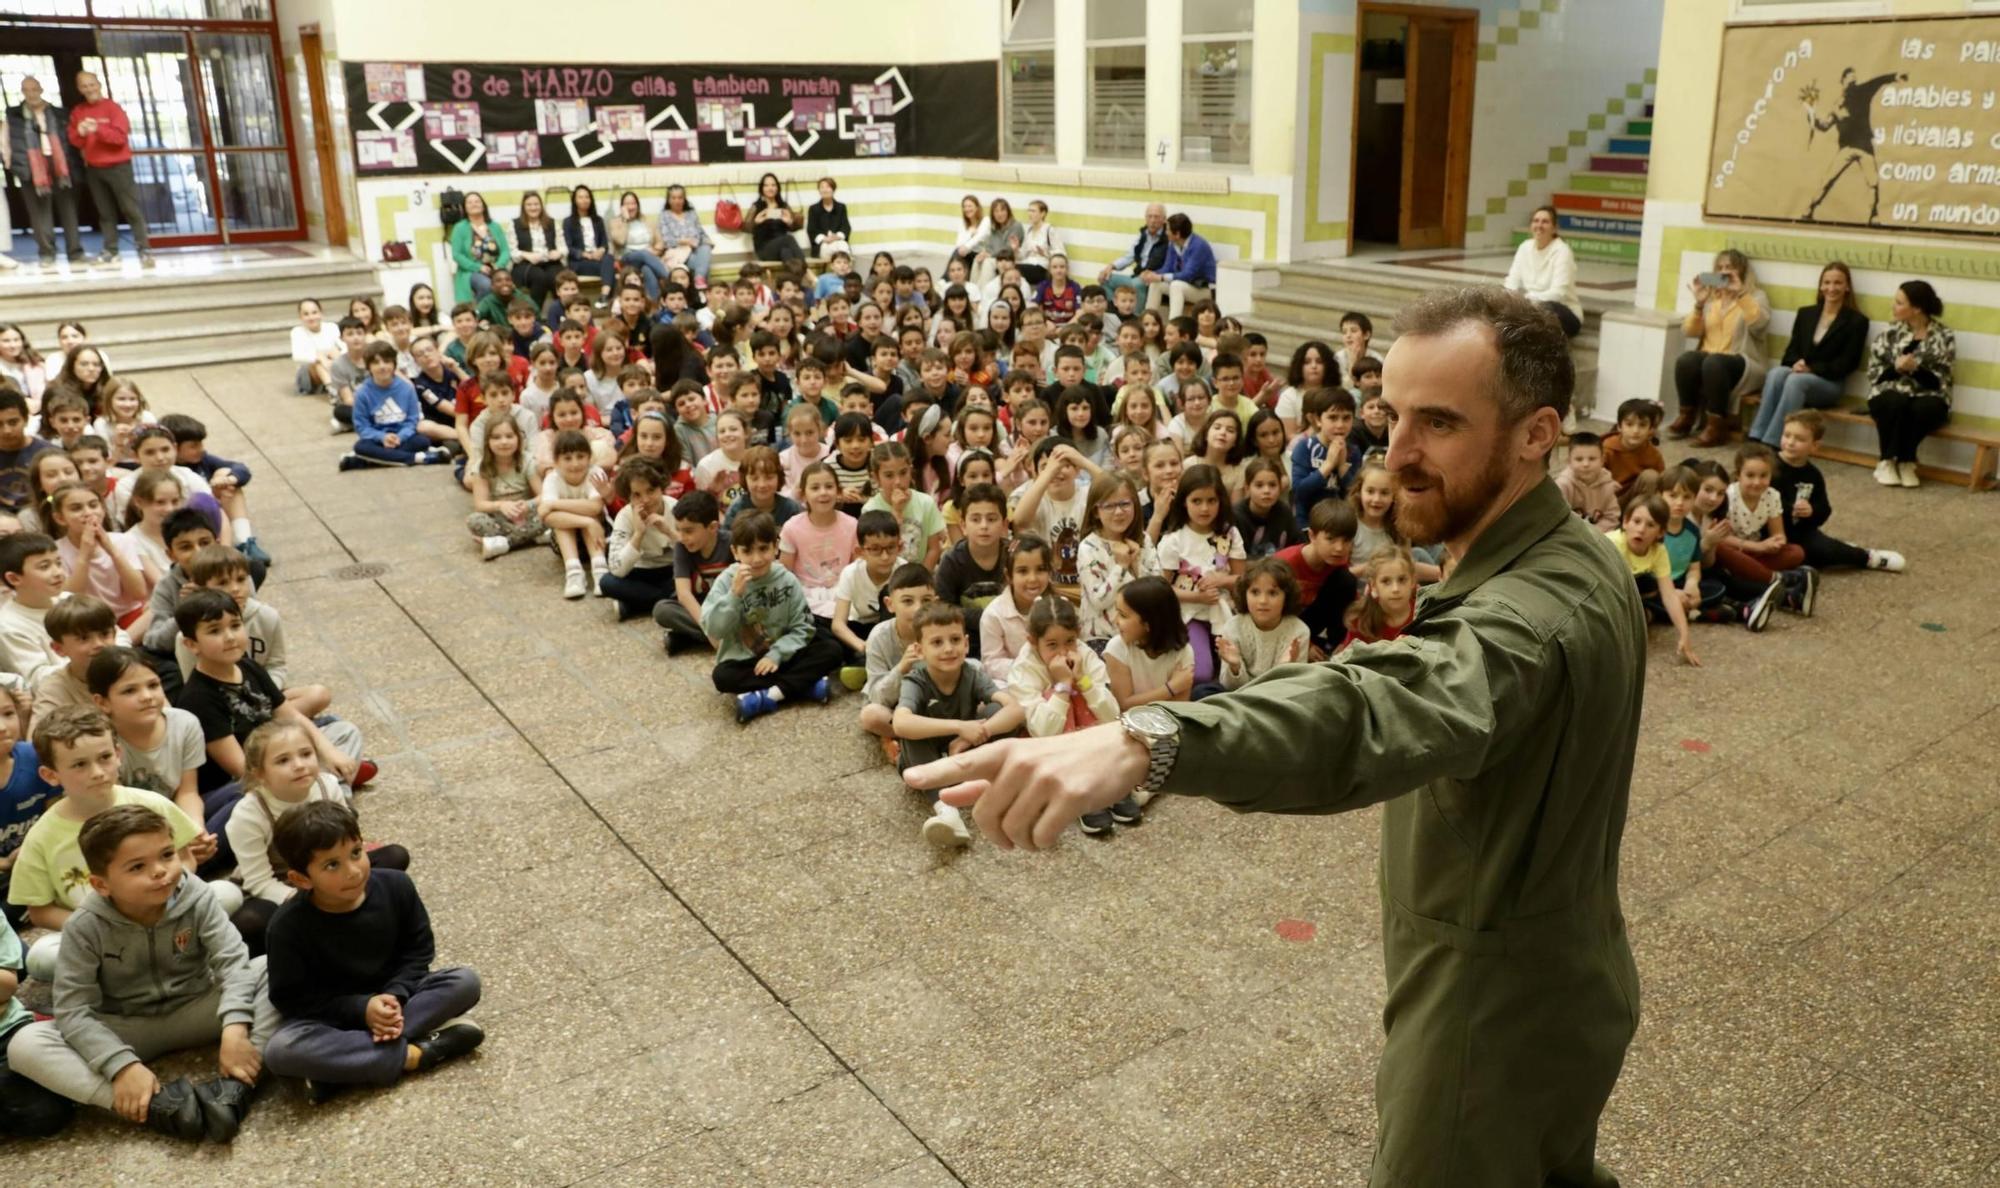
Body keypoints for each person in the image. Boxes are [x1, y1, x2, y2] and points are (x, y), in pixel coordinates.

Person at [907, 286, 1648, 1188]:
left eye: (1441, 424)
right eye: (1395, 415)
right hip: (1559, 984)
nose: (1398, 454)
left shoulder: (1531, 615)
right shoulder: (1575, 557)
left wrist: (1150, 737)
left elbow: (1374, 706)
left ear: (1537, 433)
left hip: (1486, 1021)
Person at [7, 804, 277, 1142]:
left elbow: (233, 961)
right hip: (127, 1026)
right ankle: (163, 1108)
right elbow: (73, 1010)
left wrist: (236, 1029)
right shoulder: (84, 926)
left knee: (272, 967)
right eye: (137, 866)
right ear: (101, 884)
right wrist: (122, 1067)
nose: (161, 871)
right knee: (25, 1044)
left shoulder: (196, 895)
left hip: (200, 1006)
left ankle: (236, 1089)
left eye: (167, 854)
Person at [262, 800, 482, 1103]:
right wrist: (361, 1008)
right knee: (280, 1050)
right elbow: (291, 998)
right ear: (301, 879)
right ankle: (415, 1054)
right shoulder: (286, 927)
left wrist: (395, 995)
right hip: (336, 1018)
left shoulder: (397, 886)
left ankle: (342, 1068)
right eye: (331, 865)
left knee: (464, 981)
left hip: (399, 1003)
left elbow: (418, 953)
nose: (353, 871)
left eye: (356, 853)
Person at [893, 603, 1023, 844]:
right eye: (937, 643)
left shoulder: (971, 672)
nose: (948, 649)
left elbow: (1014, 709)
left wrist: (971, 734)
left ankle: (977, 779)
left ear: (965, 643)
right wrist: (958, 727)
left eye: (954, 640)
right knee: (910, 734)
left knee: (998, 711)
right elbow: (900, 723)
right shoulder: (916, 679)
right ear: (920, 650)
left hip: (962, 750)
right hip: (926, 758)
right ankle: (946, 811)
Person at [700, 510, 840, 723]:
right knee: (722, 677)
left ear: (776, 547)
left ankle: (770, 695)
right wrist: (733, 596)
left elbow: (802, 627)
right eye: (747, 551)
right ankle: (804, 686)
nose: (756, 559)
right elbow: (714, 629)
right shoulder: (726, 581)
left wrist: (776, 654)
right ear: (735, 552)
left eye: (764, 549)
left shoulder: (787, 579)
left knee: (831, 649)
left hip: (785, 653)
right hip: (748, 660)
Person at [1006, 594, 1124, 835]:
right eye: (1052, 645)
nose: (1064, 652)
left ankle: (1109, 785)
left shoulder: (1085, 654)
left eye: (1069, 641)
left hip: (1092, 744)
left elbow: (1112, 716)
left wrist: (1083, 680)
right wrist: (1062, 686)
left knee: (1084, 690)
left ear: (1078, 635)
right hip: (1050, 749)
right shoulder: (1023, 669)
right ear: (1032, 641)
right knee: (1062, 695)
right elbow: (1042, 731)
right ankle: (1079, 792)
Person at [1747, 261, 1868, 447]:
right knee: (1776, 373)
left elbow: (1848, 363)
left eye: (1838, 283)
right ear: (1821, 286)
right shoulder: (1806, 314)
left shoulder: (1857, 321)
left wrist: (1811, 369)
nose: (1831, 288)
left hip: (1829, 385)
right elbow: (1790, 352)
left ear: (1847, 287)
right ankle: (1756, 435)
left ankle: (1773, 442)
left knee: (1796, 380)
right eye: (1827, 282)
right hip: (1799, 376)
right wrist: (1796, 364)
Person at [1773, 411, 1905, 575]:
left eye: (1799, 439)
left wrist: (1811, 511)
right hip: (1768, 534)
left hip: (1800, 534)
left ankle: (1868, 557)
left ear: (1814, 445)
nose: (1790, 442)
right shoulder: (1769, 465)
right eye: (1787, 435)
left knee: (1823, 552)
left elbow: (1824, 509)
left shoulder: (1813, 475)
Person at [1668, 248, 1768, 446]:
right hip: (1711, 361)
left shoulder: (1756, 296)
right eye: (1720, 267)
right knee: (1687, 360)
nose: (1723, 272)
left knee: (1714, 362)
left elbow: (1759, 326)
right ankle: (1687, 416)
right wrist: (1698, 305)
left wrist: (1740, 294)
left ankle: (1716, 426)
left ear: (1741, 271)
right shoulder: (1711, 298)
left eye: (1729, 268)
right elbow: (1689, 331)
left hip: (1744, 362)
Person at [1865, 279, 1954, 490]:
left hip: (1929, 394)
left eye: (1899, 303)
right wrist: (1896, 368)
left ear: (1916, 308)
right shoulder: (1889, 333)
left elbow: (1940, 380)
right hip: (1889, 391)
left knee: (1924, 408)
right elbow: (1875, 376)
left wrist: (1915, 369)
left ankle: (1905, 460)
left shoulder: (1944, 336)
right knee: (1895, 403)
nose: (1893, 307)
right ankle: (1887, 460)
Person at [65, 72, 152, 268]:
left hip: (119, 167)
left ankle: (144, 249)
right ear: (80, 89)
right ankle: (111, 250)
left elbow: (120, 139)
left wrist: (98, 129)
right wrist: (80, 132)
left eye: (92, 84)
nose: (89, 89)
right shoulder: (78, 111)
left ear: (99, 85)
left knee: (130, 209)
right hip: (94, 168)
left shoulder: (113, 108)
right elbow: (74, 140)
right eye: (84, 86)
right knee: (105, 212)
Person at [6, 76, 86, 267]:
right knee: (39, 213)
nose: (31, 93)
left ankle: (75, 253)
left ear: (41, 90)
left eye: (34, 89)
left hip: (61, 166)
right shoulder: (14, 115)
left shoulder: (59, 113)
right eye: (26, 90)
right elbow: (7, 142)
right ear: (22, 92)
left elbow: (70, 140)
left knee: (68, 210)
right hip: (31, 166)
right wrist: (14, 166)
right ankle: (47, 253)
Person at [1502, 205, 1582, 338]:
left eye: (1545, 221)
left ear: (1554, 228)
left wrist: (1528, 300)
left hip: (1564, 312)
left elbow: (1558, 293)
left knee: (1544, 310)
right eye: (1536, 221)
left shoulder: (1562, 251)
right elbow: (1511, 281)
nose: (1539, 225)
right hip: (1532, 308)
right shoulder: (1525, 247)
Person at [1141, 214, 1217, 320]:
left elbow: (1188, 275)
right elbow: (1167, 268)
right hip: (1186, 285)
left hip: (1204, 289)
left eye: (1167, 230)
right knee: (1156, 283)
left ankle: (1174, 325)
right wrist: (1152, 274)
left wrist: (1162, 277)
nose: (1165, 233)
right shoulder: (1173, 244)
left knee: (1176, 285)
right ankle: (1147, 320)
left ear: (1177, 234)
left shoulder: (1198, 246)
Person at [1098, 203, 1170, 312]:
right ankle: (1116, 315)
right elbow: (1129, 257)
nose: (1152, 220)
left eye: (1156, 217)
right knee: (1106, 279)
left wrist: (1153, 273)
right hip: (1137, 276)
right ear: (1145, 218)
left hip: (1154, 280)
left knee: (1137, 283)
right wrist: (1111, 266)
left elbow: (1171, 265)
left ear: (1164, 219)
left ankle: (1136, 318)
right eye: (1149, 216)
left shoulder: (1169, 237)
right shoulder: (1143, 234)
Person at [447, 192, 511, 304]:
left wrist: (498, 266)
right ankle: (479, 314)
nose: (474, 204)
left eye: (477, 201)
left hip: (496, 269)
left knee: (508, 286)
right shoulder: (459, 228)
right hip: (471, 271)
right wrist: (478, 267)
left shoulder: (494, 226)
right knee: (486, 285)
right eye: (469, 202)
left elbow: (505, 251)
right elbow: (456, 255)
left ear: (483, 205)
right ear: (465, 208)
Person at [608, 191, 671, 302]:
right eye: (627, 204)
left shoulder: (647, 220)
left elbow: (660, 242)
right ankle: (670, 279)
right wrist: (625, 220)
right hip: (627, 258)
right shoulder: (615, 222)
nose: (631, 207)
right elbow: (620, 241)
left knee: (647, 270)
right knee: (643, 253)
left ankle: (653, 306)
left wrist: (654, 252)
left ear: (637, 205)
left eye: (633, 203)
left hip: (647, 258)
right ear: (622, 207)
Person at [1555, 431, 1620, 532]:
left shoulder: (1607, 485)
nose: (1585, 464)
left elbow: (1612, 517)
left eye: (1592, 459)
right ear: (1569, 461)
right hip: (1569, 535)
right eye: (1579, 459)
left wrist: (1593, 534)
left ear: (1602, 460)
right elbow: (1556, 519)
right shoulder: (1563, 485)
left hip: (1598, 535)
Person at [509, 190, 562, 307]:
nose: (533, 208)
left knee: (558, 278)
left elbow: (563, 247)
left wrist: (558, 253)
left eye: (536, 204)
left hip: (550, 262)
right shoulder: (515, 224)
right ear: (524, 207)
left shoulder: (552, 222)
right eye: (529, 205)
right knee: (539, 277)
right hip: (525, 264)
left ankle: (563, 312)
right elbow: (512, 252)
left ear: (541, 206)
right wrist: (526, 255)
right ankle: (534, 313)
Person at [562, 184, 616, 298]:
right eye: (580, 197)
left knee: (609, 259)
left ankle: (604, 295)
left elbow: (604, 243)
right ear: (574, 200)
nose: (584, 200)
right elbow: (568, 248)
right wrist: (586, 255)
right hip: (579, 262)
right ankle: (606, 298)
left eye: (587, 197)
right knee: (610, 269)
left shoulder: (598, 220)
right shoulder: (568, 222)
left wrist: (600, 250)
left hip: (598, 259)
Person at [748, 173, 803, 267]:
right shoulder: (757, 206)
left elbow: (795, 227)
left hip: (782, 246)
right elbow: (745, 228)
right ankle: (807, 272)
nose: (770, 188)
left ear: (777, 188)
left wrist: (789, 222)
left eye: (773, 185)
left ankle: (790, 281)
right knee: (788, 238)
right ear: (762, 189)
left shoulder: (783, 206)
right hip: (764, 249)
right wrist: (756, 222)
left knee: (786, 253)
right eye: (766, 185)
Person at [1016, 200, 1061, 287]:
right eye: (1029, 211)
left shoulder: (1049, 230)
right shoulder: (1029, 231)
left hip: (1042, 267)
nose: (1030, 214)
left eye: (1033, 211)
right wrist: (1015, 249)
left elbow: (1060, 254)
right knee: (1006, 268)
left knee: (1015, 271)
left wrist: (1044, 253)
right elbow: (1022, 255)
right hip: (1027, 264)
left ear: (1043, 213)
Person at [804, 177, 850, 263]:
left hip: (838, 242)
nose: (825, 190)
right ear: (819, 190)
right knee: (829, 248)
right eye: (822, 187)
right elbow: (811, 230)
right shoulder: (813, 209)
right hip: (822, 244)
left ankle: (843, 272)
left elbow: (846, 227)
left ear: (833, 189)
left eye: (828, 187)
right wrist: (825, 239)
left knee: (843, 246)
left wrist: (836, 236)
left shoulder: (841, 207)